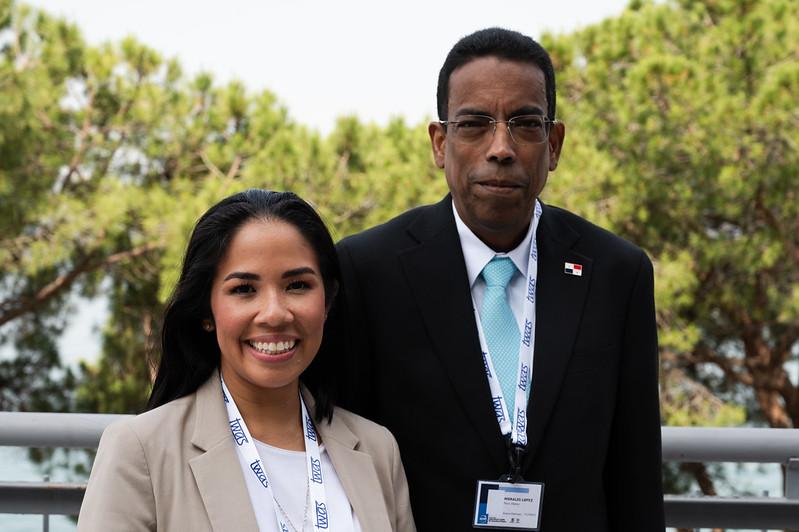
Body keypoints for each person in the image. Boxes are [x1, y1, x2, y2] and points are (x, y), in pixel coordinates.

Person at [325, 28, 664, 530]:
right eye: (475, 124)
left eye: (525, 124)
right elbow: (341, 460)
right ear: (440, 144)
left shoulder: (615, 273)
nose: (501, 147)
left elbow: (635, 474)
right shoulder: (367, 270)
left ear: (554, 144)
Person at [78, 189, 416, 532]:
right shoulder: (141, 451)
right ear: (206, 311)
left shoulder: (377, 451)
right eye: (243, 289)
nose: (274, 313)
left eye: (297, 285)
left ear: (327, 301)